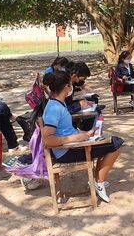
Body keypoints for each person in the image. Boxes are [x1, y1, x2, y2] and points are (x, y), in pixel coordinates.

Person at [42, 71, 123, 203]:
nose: (72, 87)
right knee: (116, 144)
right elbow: (47, 140)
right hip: (66, 151)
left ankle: (96, 180)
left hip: (73, 145)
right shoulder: (54, 108)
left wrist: (85, 134)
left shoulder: (59, 103)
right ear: (66, 87)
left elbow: (65, 130)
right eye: (70, 85)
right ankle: (99, 183)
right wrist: (77, 138)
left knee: (107, 143)